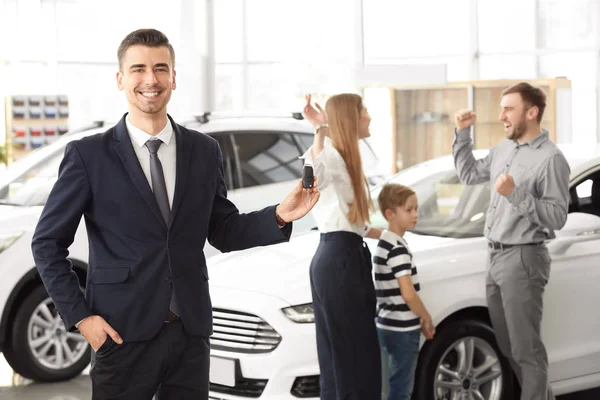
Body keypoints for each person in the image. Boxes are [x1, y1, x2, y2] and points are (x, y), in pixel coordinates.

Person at [31, 28, 319, 400]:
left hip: (189, 332)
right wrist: (82, 318)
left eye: (160, 68)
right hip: (120, 333)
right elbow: (47, 243)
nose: (150, 79)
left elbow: (223, 229)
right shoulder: (89, 156)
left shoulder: (204, 150)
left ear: (173, 78)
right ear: (120, 79)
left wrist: (280, 214)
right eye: (138, 69)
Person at [452, 82, 570, 400]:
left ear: (531, 113)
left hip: (524, 259)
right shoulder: (504, 149)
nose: (501, 114)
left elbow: (557, 216)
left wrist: (515, 194)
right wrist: (463, 133)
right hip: (495, 256)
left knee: (526, 351)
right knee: (508, 347)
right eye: (502, 107)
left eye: (509, 108)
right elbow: (468, 175)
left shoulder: (551, 159)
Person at [302, 93, 382, 400]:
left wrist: (388, 236)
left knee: (349, 355)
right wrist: (319, 128)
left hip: (345, 253)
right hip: (338, 259)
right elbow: (314, 178)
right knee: (348, 357)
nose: (370, 117)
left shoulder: (347, 158)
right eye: (365, 111)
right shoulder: (330, 155)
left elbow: (355, 222)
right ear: (352, 117)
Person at [373, 183, 435, 400]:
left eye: (416, 208)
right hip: (403, 328)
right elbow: (408, 294)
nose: (415, 214)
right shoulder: (398, 249)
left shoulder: (384, 242)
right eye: (409, 210)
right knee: (402, 388)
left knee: (388, 385)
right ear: (390, 214)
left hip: (385, 323)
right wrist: (426, 318)